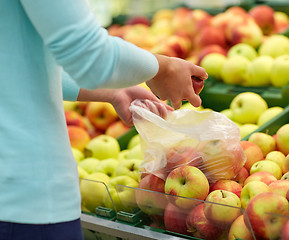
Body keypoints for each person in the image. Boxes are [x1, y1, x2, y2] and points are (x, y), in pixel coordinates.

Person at [0, 0, 207, 239]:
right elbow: (87, 52)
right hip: (26, 201)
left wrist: (112, 91)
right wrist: (163, 69)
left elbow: (20, 64)